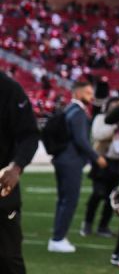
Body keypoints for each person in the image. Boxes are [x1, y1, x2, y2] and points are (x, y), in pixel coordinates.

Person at [48, 78, 106, 253]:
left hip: (63, 159)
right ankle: (58, 239)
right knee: (69, 201)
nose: (91, 96)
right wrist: (97, 158)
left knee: (63, 200)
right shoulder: (78, 112)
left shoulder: (69, 109)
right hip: (71, 161)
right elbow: (81, 140)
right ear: (78, 93)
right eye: (88, 93)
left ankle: (57, 237)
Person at [0, 69, 40, 274]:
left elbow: (29, 135)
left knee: (8, 258)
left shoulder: (9, 89)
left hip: (1, 188)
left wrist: (16, 167)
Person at [82, 94, 119, 237]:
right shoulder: (101, 119)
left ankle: (103, 226)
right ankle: (87, 224)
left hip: (117, 161)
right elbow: (98, 134)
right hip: (101, 159)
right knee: (98, 193)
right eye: (113, 106)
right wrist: (114, 127)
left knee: (112, 197)